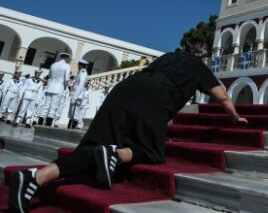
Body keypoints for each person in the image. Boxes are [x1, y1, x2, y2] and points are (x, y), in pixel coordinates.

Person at [9, 37, 247, 213]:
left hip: (123, 91)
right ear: (202, 53)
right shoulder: (198, 67)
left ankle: (35, 178)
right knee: (152, 151)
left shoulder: (166, 57)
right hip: (154, 98)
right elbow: (223, 97)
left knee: (90, 149)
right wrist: (235, 117)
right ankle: (116, 154)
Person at [42, 53, 71, 127]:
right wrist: (65, 86)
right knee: (53, 107)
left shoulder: (53, 65)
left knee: (46, 106)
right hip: (59, 88)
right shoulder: (67, 66)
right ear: (66, 58)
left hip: (50, 86)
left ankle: (40, 122)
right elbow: (66, 79)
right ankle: (48, 125)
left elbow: (50, 76)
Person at [68, 59, 89, 129]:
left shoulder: (83, 72)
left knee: (75, 113)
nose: (78, 66)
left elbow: (81, 85)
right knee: (72, 113)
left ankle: (72, 129)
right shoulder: (81, 72)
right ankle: (70, 127)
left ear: (80, 65)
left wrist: (75, 96)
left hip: (78, 96)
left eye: (78, 65)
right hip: (76, 95)